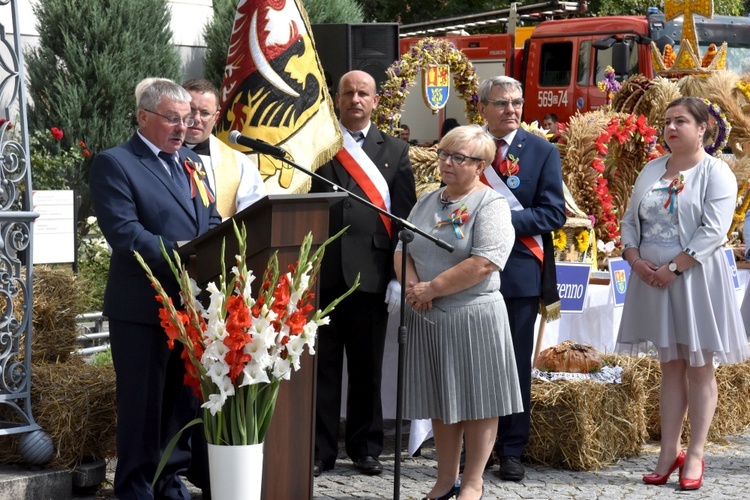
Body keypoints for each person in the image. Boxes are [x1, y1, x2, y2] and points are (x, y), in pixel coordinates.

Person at [89, 78, 222, 499]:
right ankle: (134, 488)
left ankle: (168, 480)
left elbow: (212, 221)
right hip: (143, 309)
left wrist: (220, 249)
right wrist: (183, 253)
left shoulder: (193, 164)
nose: (184, 128)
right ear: (144, 117)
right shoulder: (116, 163)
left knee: (179, 406)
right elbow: (125, 233)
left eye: (189, 119)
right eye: (173, 119)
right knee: (143, 409)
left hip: (190, 307)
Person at [617, 96, 749, 491]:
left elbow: (713, 230)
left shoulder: (716, 172)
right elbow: (629, 220)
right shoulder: (652, 168)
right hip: (650, 278)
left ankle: (695, 453)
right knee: (669, 364)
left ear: (702, 128)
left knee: (699, 365)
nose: (671, 128)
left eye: (681, 122)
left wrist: (673, 268)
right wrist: (635, 260)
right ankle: (667, 451)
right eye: (667, 121)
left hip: (693, 280)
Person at [396, 125, 522, 500]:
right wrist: (412, 289)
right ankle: (444, 479)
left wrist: (431, 288)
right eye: (444, 155)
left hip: (473, 314)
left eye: (458, 158)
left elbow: (485, 262)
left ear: (480, 166)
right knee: (441, 398)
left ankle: (472, 483)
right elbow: (402, 247)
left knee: (480, 401)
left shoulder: (492, 205)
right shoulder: (427, 200)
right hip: (429, 313)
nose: (447, 163)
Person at [310, 70, 417, 477]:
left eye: (363, 93)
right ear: (337, 100)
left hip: (373, 275)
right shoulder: (318, 146)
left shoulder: (395, 149)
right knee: (323, 370)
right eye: (348, 92)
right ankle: (320, 451)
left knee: (367, 368)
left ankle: (366, 448)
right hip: (324, 272)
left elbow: (404, 217)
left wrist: (397, 274)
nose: (355, 99)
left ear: (375, 102)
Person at [477, 75, 566, 481]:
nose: (510, 110)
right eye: (501, 103)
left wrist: (500, 220)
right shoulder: (468, 147)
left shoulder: (542, 151)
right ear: (483, 109)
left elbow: (553, 214)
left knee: (513, 365)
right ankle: (475, 447)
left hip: (518, 272)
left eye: (516, 103)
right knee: (473, 363)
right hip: (469, 273)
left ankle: (511, 449)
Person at [182, 78, 266, 217]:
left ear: (216, 118)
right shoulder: (155, 154)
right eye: (190, 110)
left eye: (204, 113)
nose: (196, 118)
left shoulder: (238, 164)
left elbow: (252, 214)